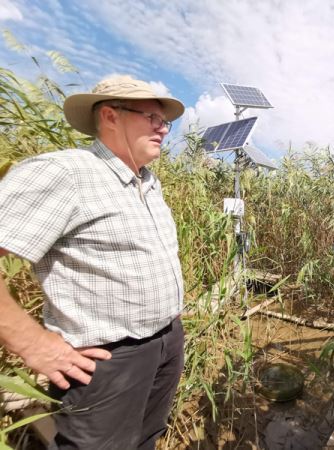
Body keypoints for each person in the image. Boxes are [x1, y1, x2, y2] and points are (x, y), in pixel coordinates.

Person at [0, 75, 186, 449]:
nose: (162, 129)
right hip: (107, 360)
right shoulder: (65, 173)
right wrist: (35, 345)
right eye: (151, 117)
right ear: (110, 116)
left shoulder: (149, 183)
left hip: (166, 342)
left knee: (146, 438)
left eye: (164, 121)